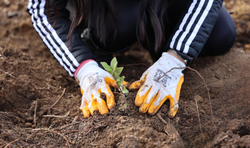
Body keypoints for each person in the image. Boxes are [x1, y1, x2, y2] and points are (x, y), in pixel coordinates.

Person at [27, 0, 236, 118]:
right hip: (101, 10)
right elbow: (40, 7)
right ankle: (92, 39)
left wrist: (175, 58)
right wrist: (85, 68)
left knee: (220, 33)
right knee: (117, 27)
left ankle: (158, 37)